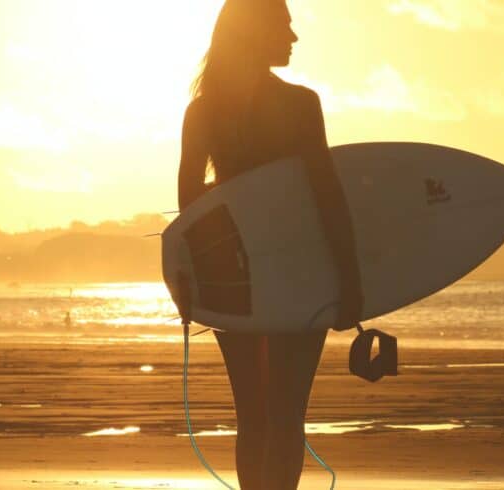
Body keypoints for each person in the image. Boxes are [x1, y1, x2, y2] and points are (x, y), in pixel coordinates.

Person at [177, 1, 364, 488]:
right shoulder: (301, 105)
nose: (294, 37)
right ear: (254, 32)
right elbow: (327, 198)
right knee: (285, 415)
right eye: (283, 25)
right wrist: (350, 282)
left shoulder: (204, 111)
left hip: (231, 278)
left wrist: (194, 283)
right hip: (300, 276)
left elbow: (190, 209)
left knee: (254, 418)